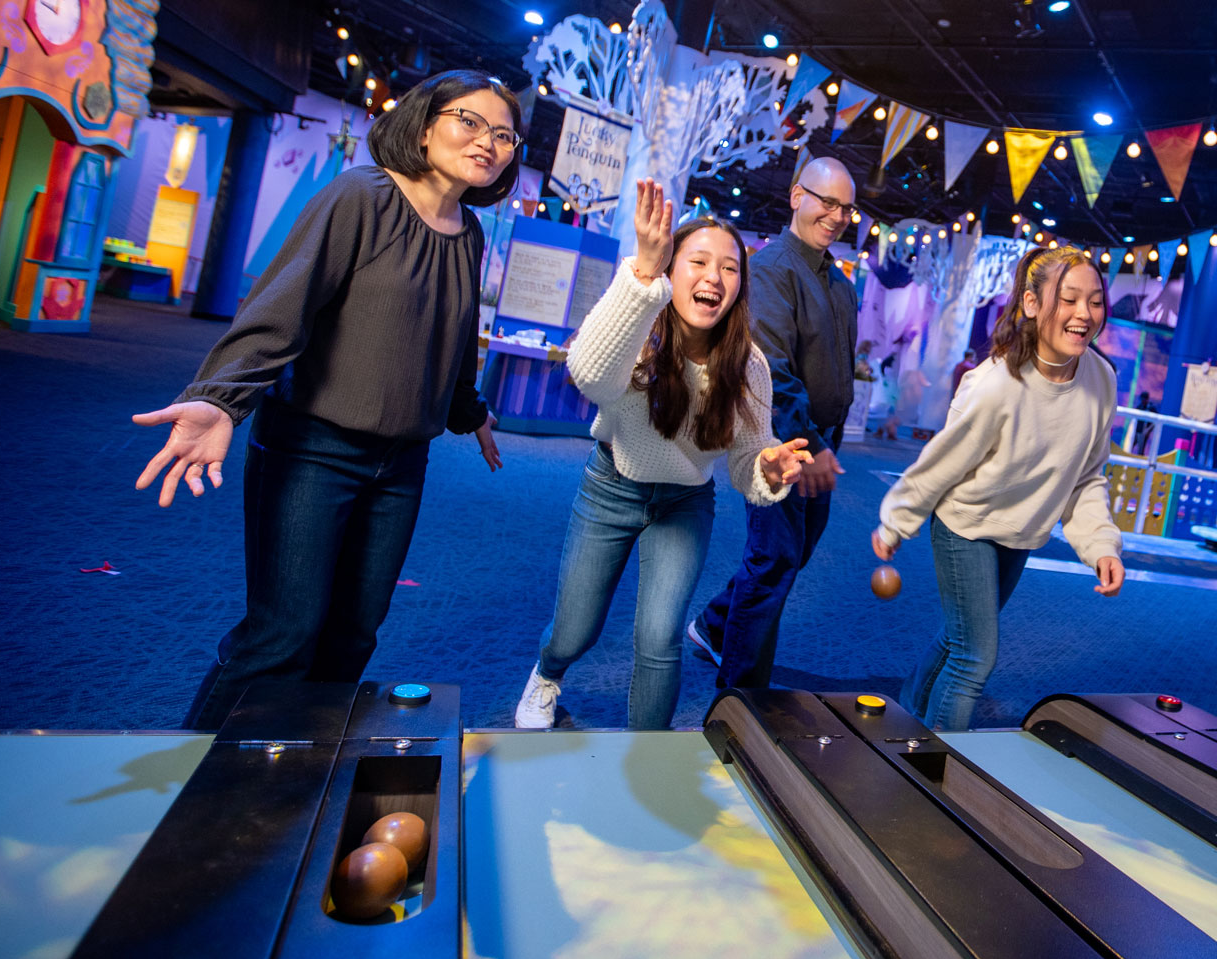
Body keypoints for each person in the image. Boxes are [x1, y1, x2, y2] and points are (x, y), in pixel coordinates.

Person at [134, 70, 516, 729]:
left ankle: (290, 777)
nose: (489, 142)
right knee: (283, 634)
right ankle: (194, 787)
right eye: (470, 122)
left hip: (400, 466)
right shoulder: (360, 196)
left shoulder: (468, 233)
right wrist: (222, 400)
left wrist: (469, 411)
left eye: (505, 134)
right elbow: (281, 307)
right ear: (424, 128)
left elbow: (449, 344)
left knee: (352, 637)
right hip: (314, 450)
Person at [514, 181, 810, 729]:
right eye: (697, 261)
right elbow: (590, 377)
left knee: (659, 637)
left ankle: (647, 751)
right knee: (574, 630)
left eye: (729, 268)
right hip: (611, 487)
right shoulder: (637, 327)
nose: (714, 277)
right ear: (673, 271)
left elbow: (748, 461)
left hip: (684, 503)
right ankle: (547, 675)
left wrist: (766, 467)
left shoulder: (749, 367)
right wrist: (642, 275)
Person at [872, 246, 1127, 730]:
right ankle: (939, 768)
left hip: (1020, 531)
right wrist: (897, 520)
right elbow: (941, 463)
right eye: (1068, 299)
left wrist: (1101, 546)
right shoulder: (995, 384)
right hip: (965, 524)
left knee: (958, 637)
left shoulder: (1101, 380)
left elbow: (1088, 475)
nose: (1083, 315)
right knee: (975, 656)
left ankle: (904, 720)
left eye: (1094, 301)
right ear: (1031, 304)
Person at [686, 157, 858, 687]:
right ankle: (740, 697)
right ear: (795, 196)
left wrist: (830, 443)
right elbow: (773, 371)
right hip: (780, 442)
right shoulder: (771, 269)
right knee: (773, 560)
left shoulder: (840, 283)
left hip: (821, 441)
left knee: (790, 556)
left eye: (846, 208)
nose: (836, 215)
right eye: (826, 201)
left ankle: (715, 626)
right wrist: (808, 445)